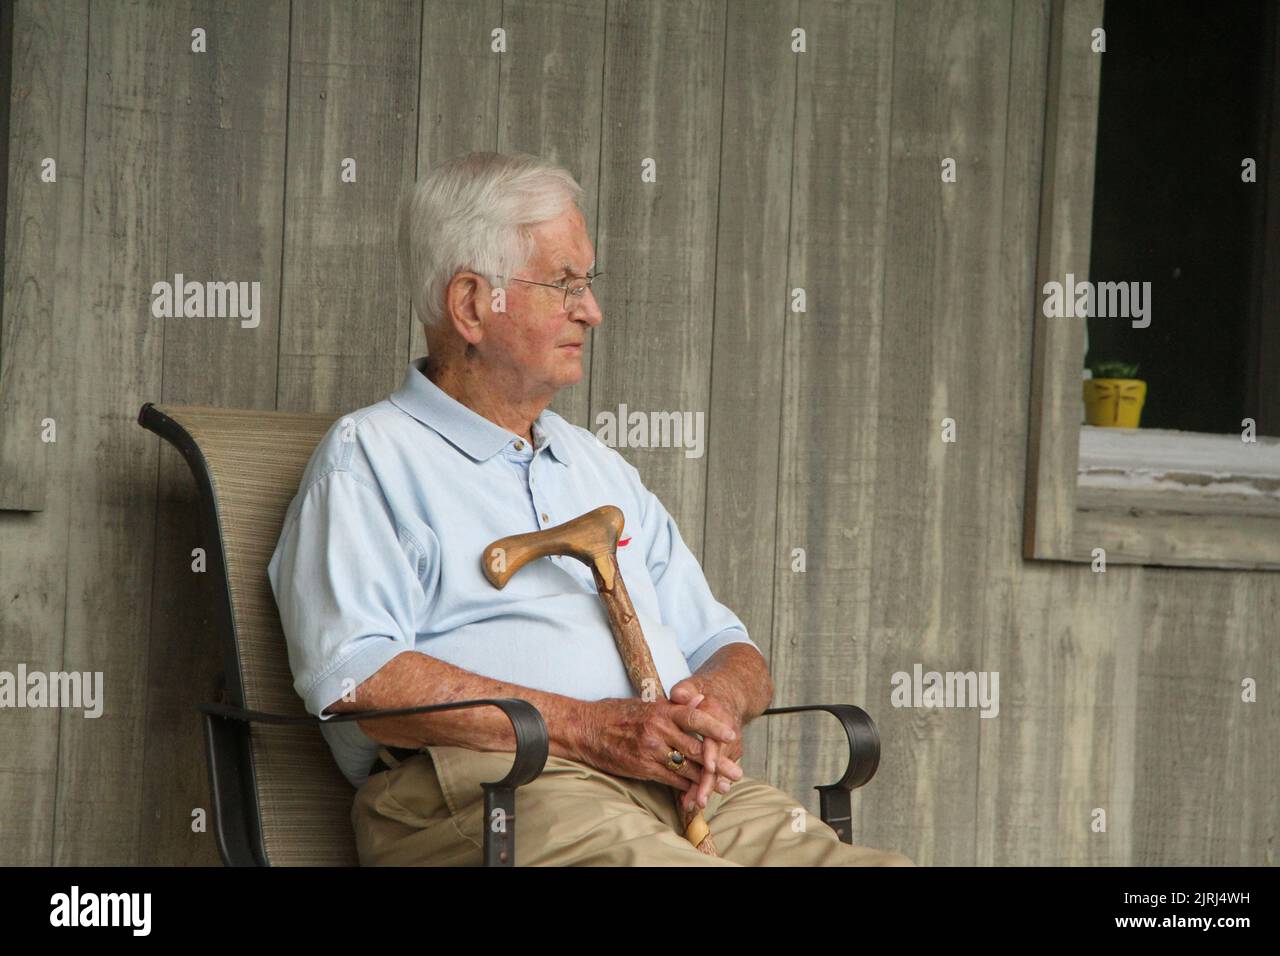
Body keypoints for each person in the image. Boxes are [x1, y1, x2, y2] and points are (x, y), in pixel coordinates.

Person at [267, 150, 913, 866]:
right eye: (565, 284)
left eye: (588, 283)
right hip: (504, 794)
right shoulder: (371, 458)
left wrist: (717, 706)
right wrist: (587, 727)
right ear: (472, 304)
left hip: (682, 791)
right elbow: (359, 674)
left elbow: (727, 647)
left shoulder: (596, 467)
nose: (593, 311)